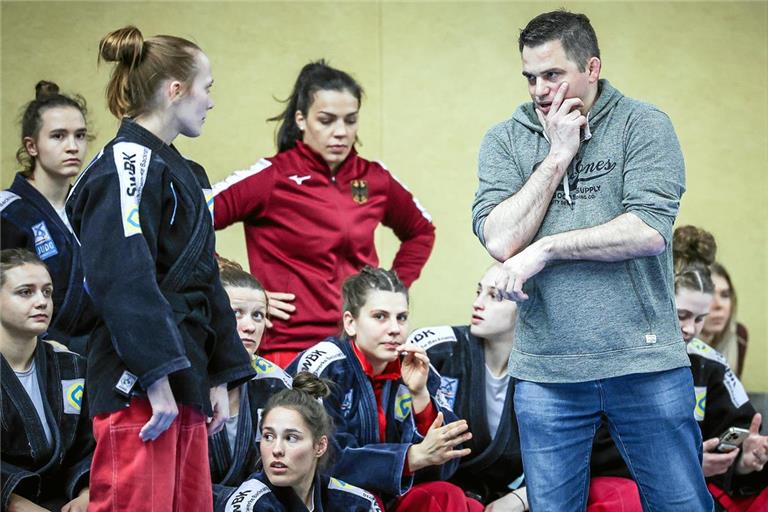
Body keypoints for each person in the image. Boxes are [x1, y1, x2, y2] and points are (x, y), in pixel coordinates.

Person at [471, 10, 712, 510]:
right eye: (530, 77)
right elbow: (499, 238)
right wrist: (557, 155)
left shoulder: (642, 125)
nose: (539, 89)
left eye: (553, 74)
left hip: (644, 362)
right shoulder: (507, 139)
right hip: (547, 370)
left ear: (592, 68)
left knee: (682, 504)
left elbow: (648, 230)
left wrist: (548, 248)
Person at [65, 26, 255, 511]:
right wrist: (154, 377)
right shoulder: (126, 164)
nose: (210, 102)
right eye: (206, 87)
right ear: (175, 90)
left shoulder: (183, 172)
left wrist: (219, 374)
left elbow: (206, 278)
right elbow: (123, 278)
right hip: (141, 384)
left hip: (183, 376)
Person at [212, 60, 436, 367]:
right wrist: (234, 289)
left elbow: (422, 230)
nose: (341, 132)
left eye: (351, 120)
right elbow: (189, 220)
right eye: (327, 120)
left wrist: (390, 290)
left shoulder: (374, 178)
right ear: (301, 119)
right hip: (290, 349)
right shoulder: (272, 177)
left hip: (357, 350)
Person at [590, 225, 768, 511]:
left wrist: (745, 462)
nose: (689, 329)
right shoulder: (610, 358)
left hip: (696, 481)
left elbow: (736, 431)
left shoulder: (708, 363)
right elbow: (595, 451)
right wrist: (686, 463)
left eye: (700, 319)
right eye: (681, 315)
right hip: (622, 484)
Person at [287, 267, 482, 511]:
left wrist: (420, 394)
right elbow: (321, 458)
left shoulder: (415, 366)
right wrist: (411, 457)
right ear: (350, 322)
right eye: (380, 316)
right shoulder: (323, 366)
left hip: (387, 496)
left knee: (448, 496)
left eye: (401, 317)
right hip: (323, 499)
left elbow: (446, 461)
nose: (395, 329)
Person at [408, 263, 528, 510]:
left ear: (526, 309)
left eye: (494, 296)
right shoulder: (439, 351)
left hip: (507, 496)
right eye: (479, 292)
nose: (478, 303)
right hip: (445, 494)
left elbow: (565, 456)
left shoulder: (542, 370)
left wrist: (521, 498)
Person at [1, 81, 95, 350]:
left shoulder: (93, 209)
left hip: (96, 356)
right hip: (30, 355)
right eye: (58, 136)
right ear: (31, 146)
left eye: (80, 135)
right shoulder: (9, 212)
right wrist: (43, 343)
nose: (72, 146)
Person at [0, 249, 93, 512]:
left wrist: (87, 492)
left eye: (47, 292)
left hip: (64, 499)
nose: (42, 302)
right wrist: (15, 504)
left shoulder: (72, 367)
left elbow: (90, 444)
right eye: (25, 292)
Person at [220, 372, 382, 512]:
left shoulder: (357, 504)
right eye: (268, 436)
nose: (277, 450)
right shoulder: (248, 505)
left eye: (291, 438)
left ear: (320, 446)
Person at [210, 257, 293, 508]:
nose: (250, 326)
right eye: (237, 313)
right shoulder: (179, 385)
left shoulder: (276, 383)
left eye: (258, 315)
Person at [701, 262, 748, 378]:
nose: (719, 305)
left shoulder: (739, 336)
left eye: (725, 295)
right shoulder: (675, 342)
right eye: (709, 295)